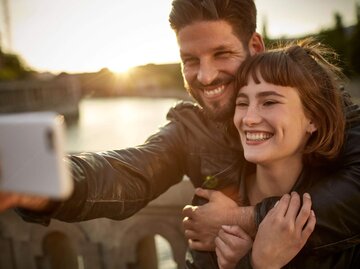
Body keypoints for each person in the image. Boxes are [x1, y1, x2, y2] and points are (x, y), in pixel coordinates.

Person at [0, 0, 359, 267]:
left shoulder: (320, 107)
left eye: (222, 54)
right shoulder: (191, 129)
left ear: (254, 47)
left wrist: (241, 220)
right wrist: (43, 180)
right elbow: (127, 172)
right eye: (190, 60)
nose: (205, 77)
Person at [214, 39, 359, 269]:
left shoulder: (347, 219)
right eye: (242, 103)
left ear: (313, 119)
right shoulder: (213, 203)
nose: (249, 118)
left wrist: (256, 264)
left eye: (269, 102)